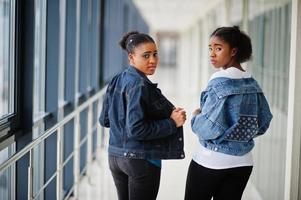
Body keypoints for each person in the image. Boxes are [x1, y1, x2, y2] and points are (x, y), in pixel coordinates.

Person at [184, 26, 273, 200]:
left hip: (211, 160)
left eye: (218, 48)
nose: (212, 53)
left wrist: (195, 118)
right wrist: (240, 132)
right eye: (210, 48)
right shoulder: (253, 84)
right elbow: (263, 124)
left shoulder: (219, 84)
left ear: (233, 51)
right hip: (243, 163)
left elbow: (207, 128)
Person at [99, 31, 186, 200]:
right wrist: (172, 122)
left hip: (116, 157)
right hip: (140, 160)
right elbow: (137, 130)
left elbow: (105, 120)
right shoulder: (140, 85)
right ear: (131, 57)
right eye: (146, 56)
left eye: (155, 54)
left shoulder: (117, 79)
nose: (153, 60)